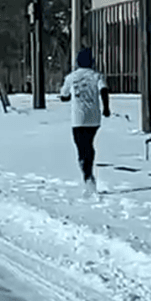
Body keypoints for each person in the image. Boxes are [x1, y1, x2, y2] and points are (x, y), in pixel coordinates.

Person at [60, 48, 111, 195]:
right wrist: (106, 108)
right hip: (94, 118)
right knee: (89, 144)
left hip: (78, 119)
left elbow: (64, 96)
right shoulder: (96, 76)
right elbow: (104, 91)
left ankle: (87, 177)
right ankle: (88, 174)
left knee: (81, 147)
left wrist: (70, 96)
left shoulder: (71, 77)